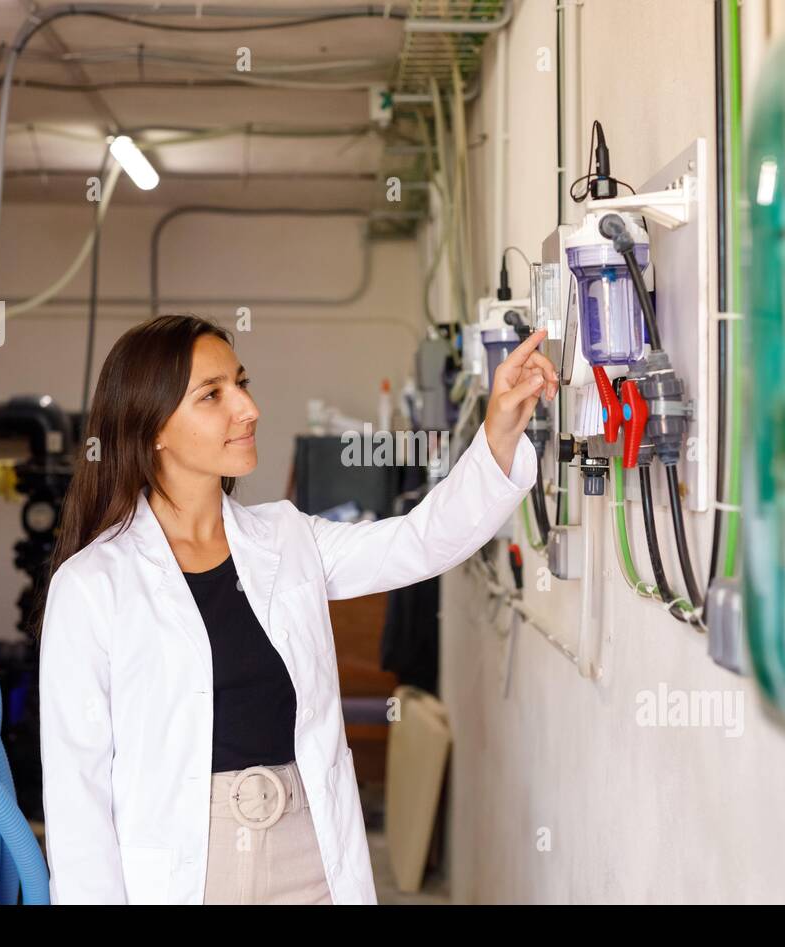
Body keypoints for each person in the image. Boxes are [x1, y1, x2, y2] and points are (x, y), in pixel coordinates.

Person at [35, 314, 556, 904]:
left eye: (241, 383)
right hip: (187, 868)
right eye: (212, 395)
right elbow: (77, 795)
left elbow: (419, 542)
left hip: (310, 847)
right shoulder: (93, 584)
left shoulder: (284, 538)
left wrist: (499, 434)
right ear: (150, 428)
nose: (247, 408)